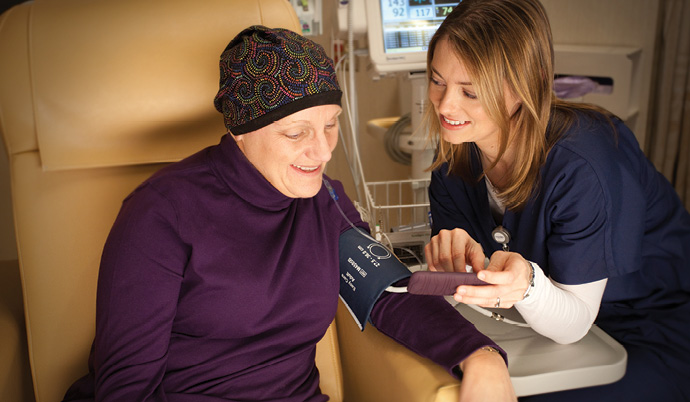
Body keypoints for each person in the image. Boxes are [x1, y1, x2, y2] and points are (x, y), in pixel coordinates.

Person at [61, 25, 516, 402]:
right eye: (297, 132)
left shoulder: (326, 202)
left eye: (331, 124)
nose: (321, 151)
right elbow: (126, 388)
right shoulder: (160, 213)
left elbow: (388, 293)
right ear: (241, 131)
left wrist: (481, 355)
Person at [421, 0, 690, 401]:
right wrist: (450, 265)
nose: (445, 105)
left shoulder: (585, 163)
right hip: (537, 328)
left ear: (527, 85)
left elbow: (575, 322)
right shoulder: (453, 167)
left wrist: (526, 285)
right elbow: (471, 286)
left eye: (470, 91)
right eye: (438, 80)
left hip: (646, 325)